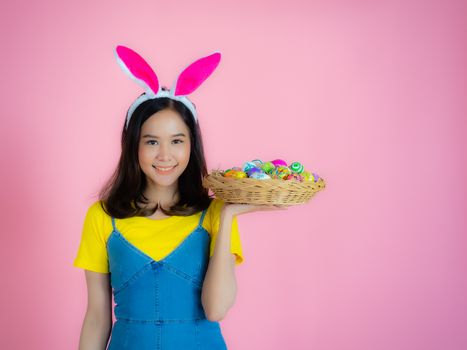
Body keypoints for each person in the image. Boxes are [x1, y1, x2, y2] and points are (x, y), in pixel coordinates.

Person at [73, 45, 286, 350]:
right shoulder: (102, 217)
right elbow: (96, 317)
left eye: (176, 140)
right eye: (151, 141)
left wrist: (226, 216)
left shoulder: (214, 214)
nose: (165, 155)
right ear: (134, 145)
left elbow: (216, 309)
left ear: (191, 145)